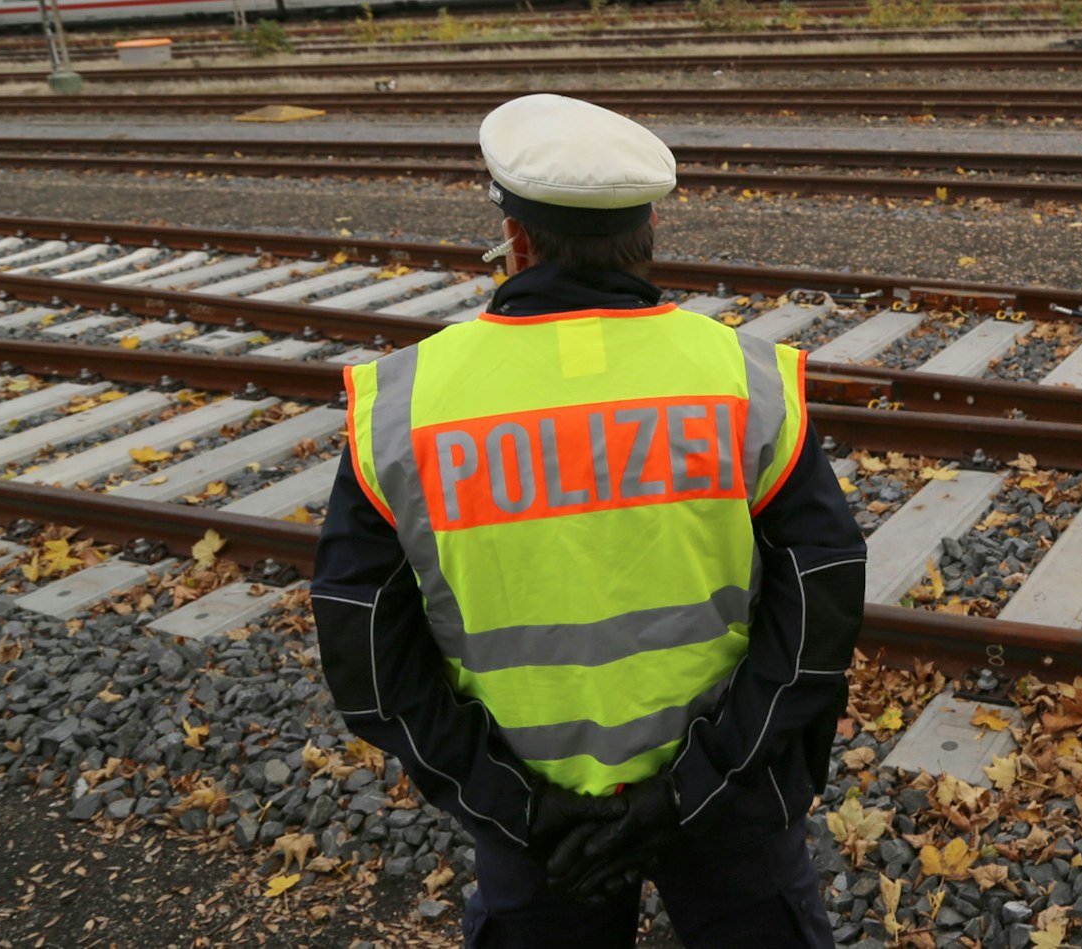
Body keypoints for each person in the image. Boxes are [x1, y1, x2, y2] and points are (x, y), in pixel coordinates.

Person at [311, 94, 866, 949]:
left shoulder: (403, 406)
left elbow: (370, 663)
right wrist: (697, 784)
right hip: (730, 800)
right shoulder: (744, 381)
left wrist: (508, 801)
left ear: (517, 242)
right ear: (647, 236)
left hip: (536, 823)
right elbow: (819, 613)